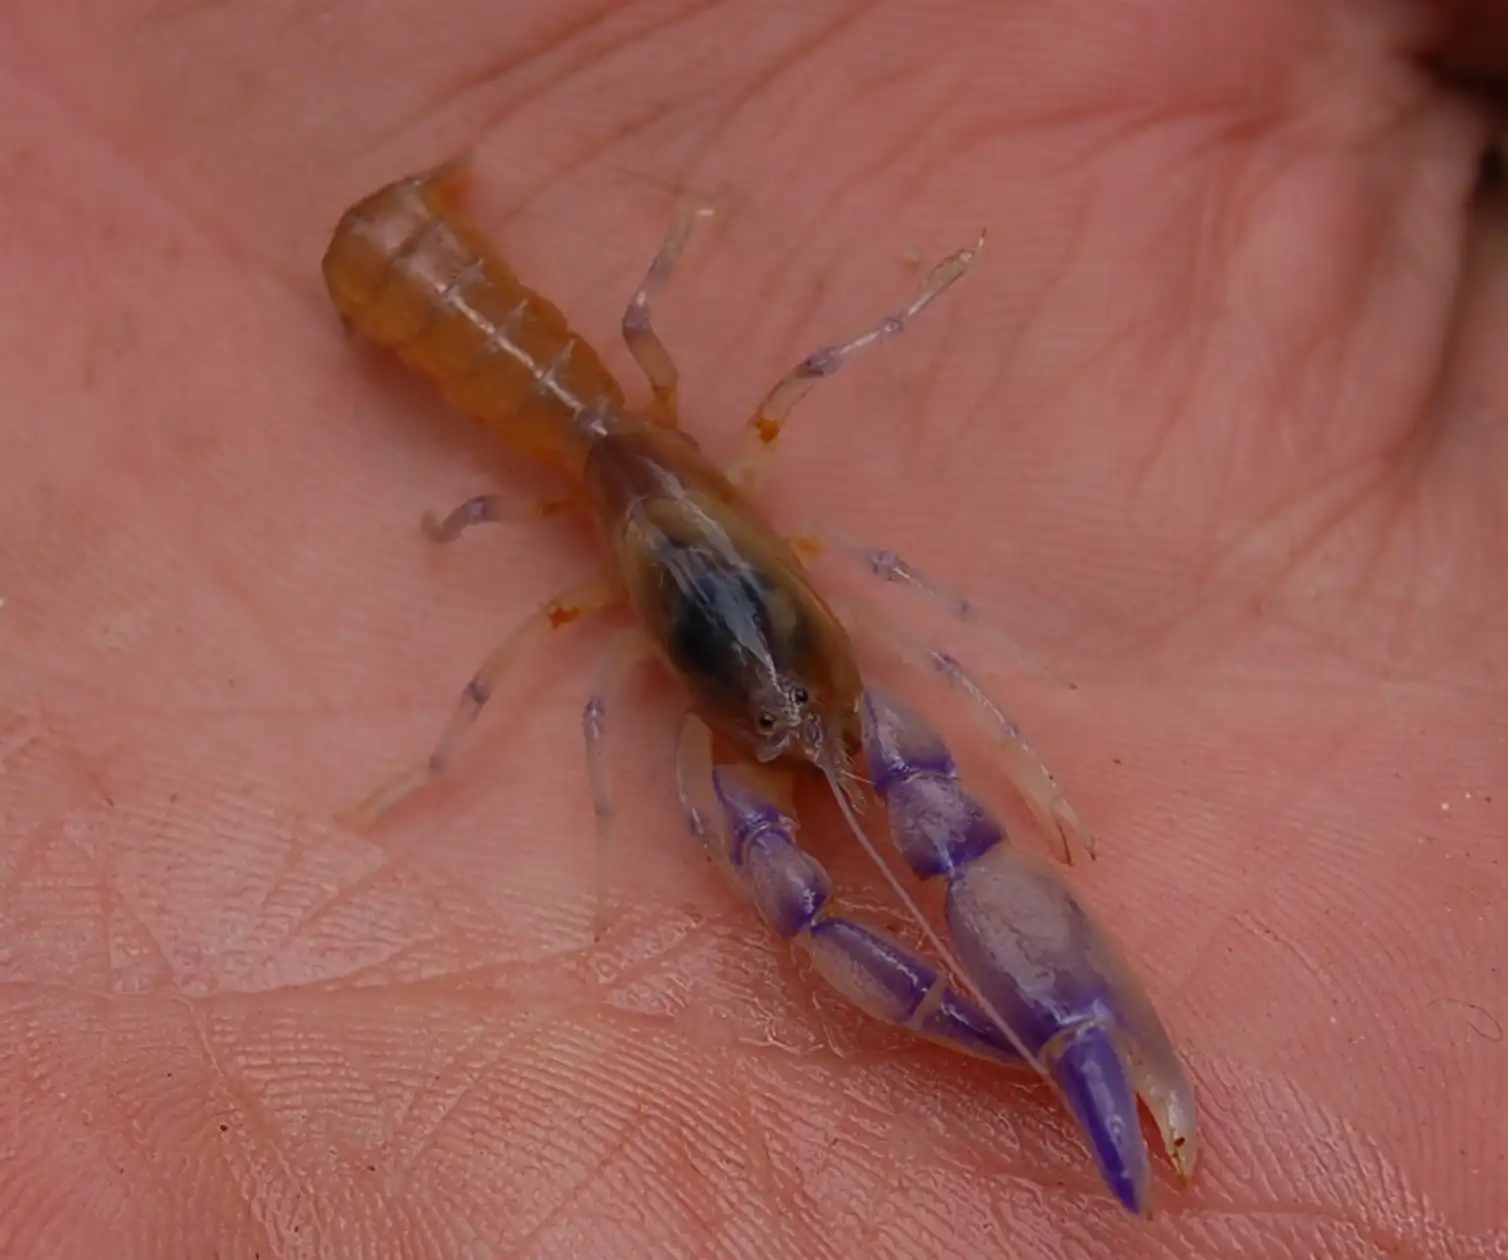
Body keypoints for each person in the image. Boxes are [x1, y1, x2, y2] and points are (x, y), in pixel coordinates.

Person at [2, 2, 1503, 1255]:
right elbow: (693, 721)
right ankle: (398, 255)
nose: (820, 765)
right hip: (527, 383)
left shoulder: (682, 572)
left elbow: (889, 650)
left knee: (865, 825)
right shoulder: (617, 574)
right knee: (806, 861)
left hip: (587, 435)